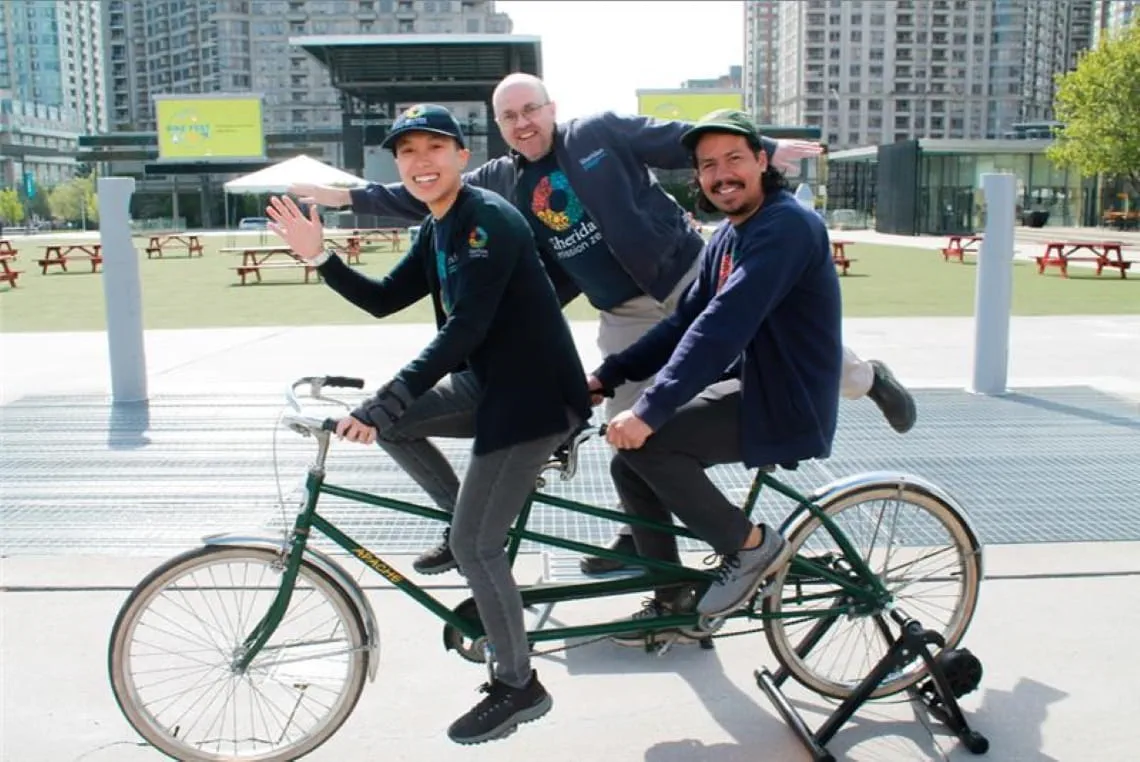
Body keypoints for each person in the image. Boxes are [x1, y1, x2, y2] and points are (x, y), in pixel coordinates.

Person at [289, 72, 915, 577]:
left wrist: (765, 149)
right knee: (633, 429)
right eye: (509, 116)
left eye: (531, 109)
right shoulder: (500, 179)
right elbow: (420, 190)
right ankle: (644, 540)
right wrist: (346, 198)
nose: (523, 123)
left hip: (684, 272)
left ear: (550, 107)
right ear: (498, 127)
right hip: (622, 309)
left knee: (781, 341)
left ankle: (866, 377)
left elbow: (678, 141)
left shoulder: (598, 133)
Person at [265, 103, 592, 744]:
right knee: (399, 427)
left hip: (532, 399)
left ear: (461, 157)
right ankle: (458, 517)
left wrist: (386, 397)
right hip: (489, 384)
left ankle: (519, 684)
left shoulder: (487, 221)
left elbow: (463, 327)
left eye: (433, 148)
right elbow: (386, 300)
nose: (420, 162)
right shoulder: (435, 225)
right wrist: (321, 257)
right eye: (407, 151)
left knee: (477, 547)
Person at [587, 108, 843, 639]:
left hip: (788, 400)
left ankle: (750, 548)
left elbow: (723, 326)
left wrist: (650, 407)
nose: (722, 174)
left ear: (761, 160)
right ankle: (673, 597)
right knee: (628, 463)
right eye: (708, 165)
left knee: (653, 444)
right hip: (756, 388)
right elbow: (686, 322)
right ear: (698, 177)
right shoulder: (728, 236)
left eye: (734, 159)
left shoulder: (787, 226)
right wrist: (608, 376)